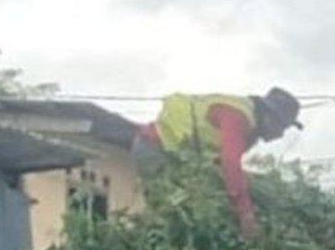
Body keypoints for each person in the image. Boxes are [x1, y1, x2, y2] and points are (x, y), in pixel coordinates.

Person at [130, 86, 304, 237]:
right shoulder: (238, 118)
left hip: (174, 157)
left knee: (196, 203)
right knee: (172, 209)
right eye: (281, 128)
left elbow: (220, 167)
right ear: (268, 118)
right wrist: (246, 214)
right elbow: (230, 164)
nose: (280, 135)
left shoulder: (250, 131)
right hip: (154, 148)